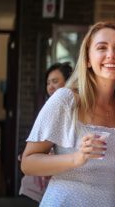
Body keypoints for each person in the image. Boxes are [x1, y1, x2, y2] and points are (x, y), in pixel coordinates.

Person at [21, 21, 115, 207]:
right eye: (102, 47)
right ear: (87, 59)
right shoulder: (65, 100)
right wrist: (76, 158)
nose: (111, 55)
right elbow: (28, 163)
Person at [18, 62, 73, 203]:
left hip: (62, 180)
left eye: (55, 81)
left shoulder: (72, 108)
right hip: (39, 182)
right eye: (48, 83)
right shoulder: (48, 106)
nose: (50, 86)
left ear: (69, 81)